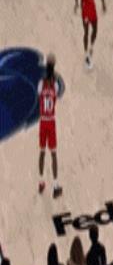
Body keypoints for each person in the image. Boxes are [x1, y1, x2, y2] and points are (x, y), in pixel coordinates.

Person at [74, 0, 106, 69]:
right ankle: (86, 55)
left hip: (92, 4)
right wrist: (76, 3)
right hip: (84, 6)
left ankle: (91, 46)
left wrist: (103, 2)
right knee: (86, 32)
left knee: (95, 29)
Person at [38, 53, 63, 198]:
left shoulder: (41, 84)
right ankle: (55, 186)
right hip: (51, 122)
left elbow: (39, 96)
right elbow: (56, 95)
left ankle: (41, 182)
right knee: (53, 154)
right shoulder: (56, 85)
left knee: (42, 152)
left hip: (42, 121)